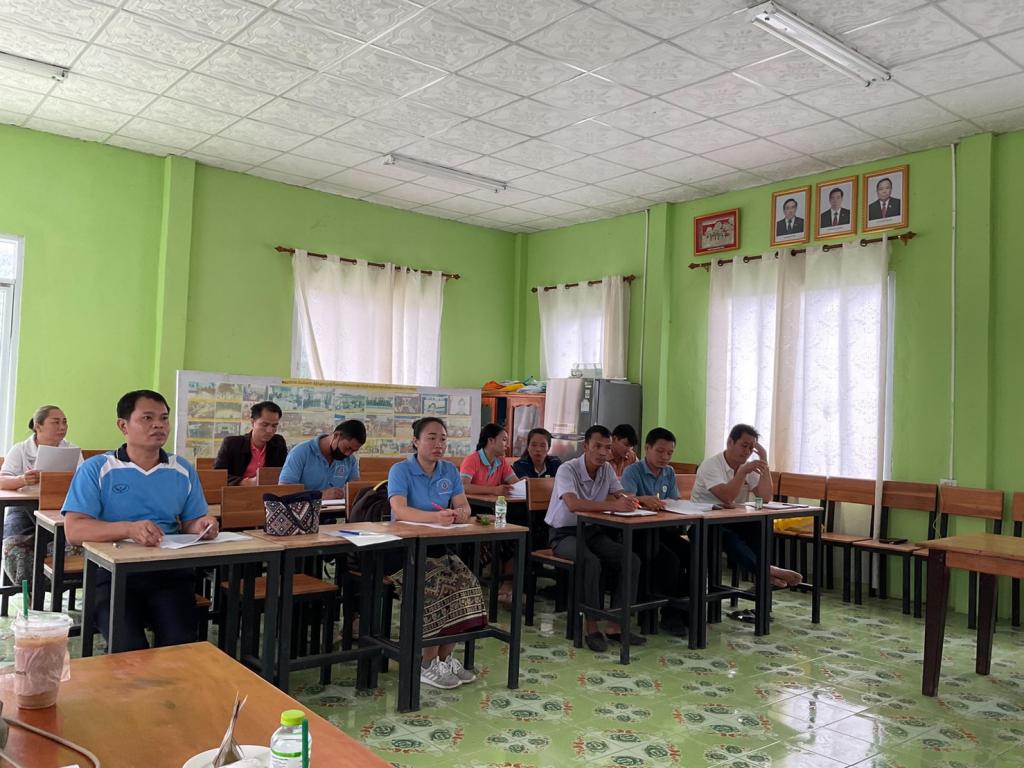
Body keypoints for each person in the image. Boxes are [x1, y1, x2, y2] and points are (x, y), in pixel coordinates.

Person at [62, 390, 218, 652]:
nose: (158, 425)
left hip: (168, 572)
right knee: (129, 648)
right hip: (111, 575)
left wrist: (202, 525)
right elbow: (74, 529)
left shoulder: (181, 469)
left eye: (164, 418)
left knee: (179, 645)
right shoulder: (96, 468)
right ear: (123, 426)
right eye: (147, 418)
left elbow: (191, 521)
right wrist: (128, 529)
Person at [388, 417, 486, 689]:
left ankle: (444, 658)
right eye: (431, 438)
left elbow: (463, 505)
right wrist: (435, 517)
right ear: (415, 441)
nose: (438, 444)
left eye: (442, 438)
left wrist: (461, 513)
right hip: (403, 549)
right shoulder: (400, 470)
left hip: (438, 547)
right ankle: (426, 662)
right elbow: (400, 510)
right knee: (437, 587)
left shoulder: (449, 470)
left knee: (466, 584)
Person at [545, 425, 643, 653]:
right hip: (563, 534)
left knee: (630, 559)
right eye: (597, 446)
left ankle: (616, 624)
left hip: (591, 531)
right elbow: (573, 504)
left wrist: (634, 500)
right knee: (591, 562)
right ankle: (591, 626)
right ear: (585, 446)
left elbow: (620, 493)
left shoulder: (606, 469)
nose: (602, 452)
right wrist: (614, 505)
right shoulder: (567, 469)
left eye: (607, 448)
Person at [692, 424, 801, 591]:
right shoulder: (711, 465)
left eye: (751, 448)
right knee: (727, 536)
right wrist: (742, 473)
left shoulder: (746, 467)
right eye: (744, 446)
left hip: (731, 520)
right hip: (702, 524)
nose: (748, 452)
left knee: (759, 526)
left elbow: (765, 497)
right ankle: (767, 571)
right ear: (730, 442)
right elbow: (727, 496)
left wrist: (764, 462)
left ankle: (763, 577)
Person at [621, 427, 690, 636]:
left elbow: (674, 500)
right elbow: (625, 500)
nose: (665, 457)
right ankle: (666, 614)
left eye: (669, 453)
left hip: (664, 530)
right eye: (660, 451)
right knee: (670, 561)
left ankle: (684, 609)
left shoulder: (669, 472)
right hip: (638, 534)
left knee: (693, 554)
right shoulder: (632, 471)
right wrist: (643, 500)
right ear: (647, 448)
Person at [0, 405, 79, 584]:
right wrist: (22, 480)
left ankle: (57, 588)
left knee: (76, 546)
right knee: (16, 549)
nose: (62, 427)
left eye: (65, 422)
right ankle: (29, 589)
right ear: (38, 426)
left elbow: (83, 481)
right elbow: (2, 480)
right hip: (23, 511)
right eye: (56, 422)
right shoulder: (20, 449)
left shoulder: (72, 450)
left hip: (58, 510)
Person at [279, 419, 365, 500]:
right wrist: (320, 495)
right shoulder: (300, 452)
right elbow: (285, 490)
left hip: (337, 509)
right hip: (305, 509)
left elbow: (355, 491)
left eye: (353, 451)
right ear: (336, 435)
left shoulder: (350, 460)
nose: (348, 454)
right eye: (347, 448)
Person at [214, 401, 288, 486]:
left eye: (274, 426)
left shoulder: (278, 442)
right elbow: (217, 476)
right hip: (237, 492)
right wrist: (246, 482)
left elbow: (286, 472)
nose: (270, 430)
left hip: (268, 492)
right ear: (253, 422)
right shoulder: (232, 443)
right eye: (264, 424)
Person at [460, 423, 518, 496]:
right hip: (473, 502)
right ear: (491, 440)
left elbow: (515, 483)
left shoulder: (502, 461)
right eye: (504, 440)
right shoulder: (471, 459)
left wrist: (523, 483)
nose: (507, 445)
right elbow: (463, 486)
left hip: (493, 502)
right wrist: (494, 490)